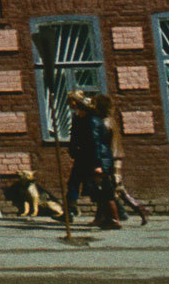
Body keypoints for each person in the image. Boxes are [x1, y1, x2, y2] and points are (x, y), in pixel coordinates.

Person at [103, 96, 150, 225]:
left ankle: (139, 208)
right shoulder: (111, 120)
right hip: (116, 156)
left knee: (117, 187)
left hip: (113, 158)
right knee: (117, 187)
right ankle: (136, 210)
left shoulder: (105, 122)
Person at [88, 94, 122, 229]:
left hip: (107, 161)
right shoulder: (106, 120)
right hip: (109, 159)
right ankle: (101, 217)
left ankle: (114, 219)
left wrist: (107, 165)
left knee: (107, 191)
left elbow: (105, 145)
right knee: (103, 191)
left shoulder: (104, 123)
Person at [64, 90, 96, 222]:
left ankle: (69, 211)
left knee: (88, 185)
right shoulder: (79, 115)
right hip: (83, 155)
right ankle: (69, 211)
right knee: (76, 183)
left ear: (75, 101)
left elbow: (85, 136)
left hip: (87, 155)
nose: (69, 104)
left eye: (70, 101)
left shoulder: (86, 116)